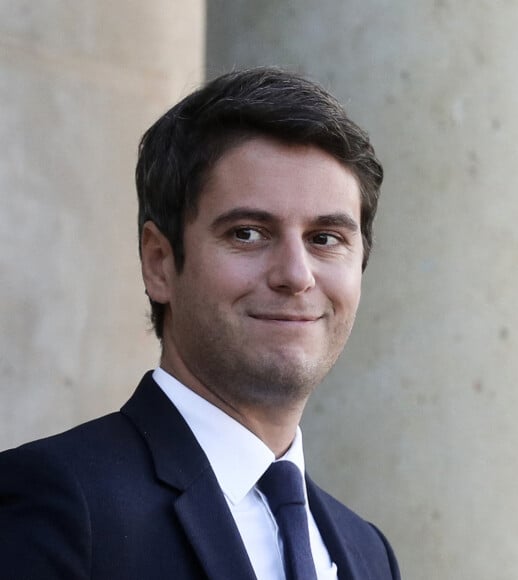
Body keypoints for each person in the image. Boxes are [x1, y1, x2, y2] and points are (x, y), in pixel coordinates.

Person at [0, 68, 400, 579]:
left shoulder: (367, 552)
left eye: (325, 238)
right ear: (160, 263)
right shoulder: (58, 503)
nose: (296, 276)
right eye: (249, 233)